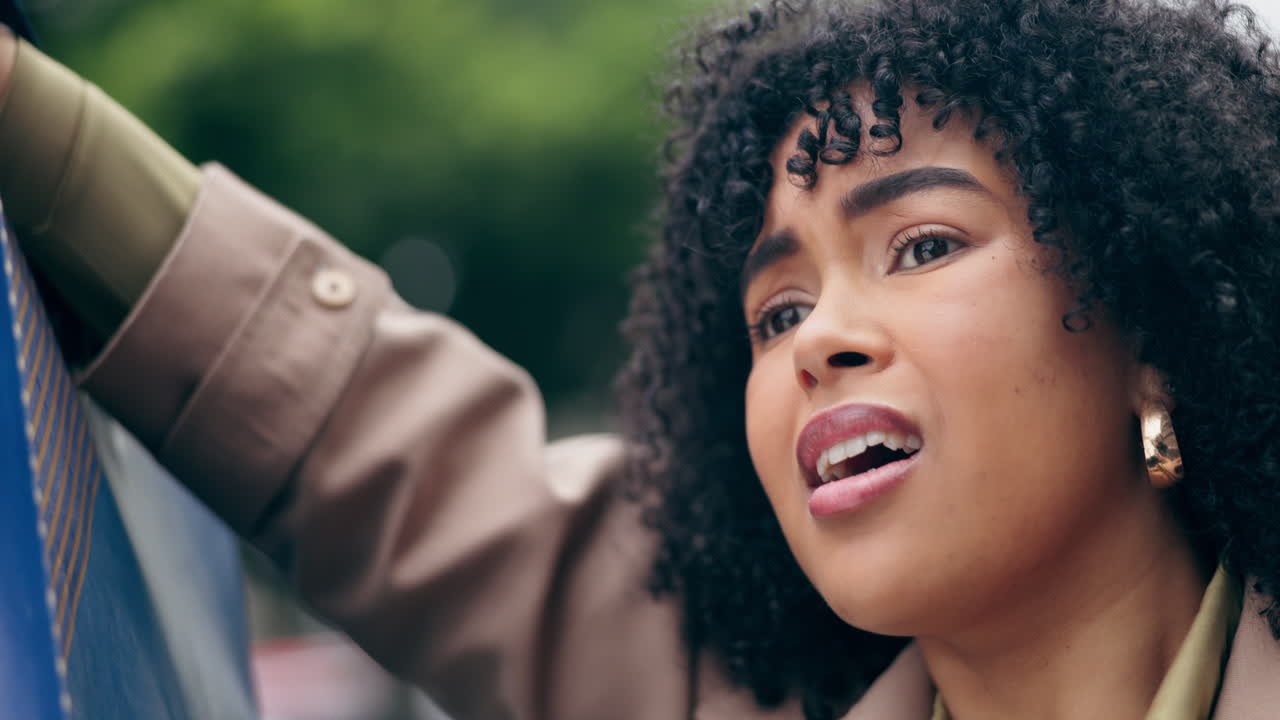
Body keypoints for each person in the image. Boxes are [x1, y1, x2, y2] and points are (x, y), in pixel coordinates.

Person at [1, 0, 1279, 718]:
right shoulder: (729, 684)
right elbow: (382, 439)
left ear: (1153, 329)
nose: (818, 338)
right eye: (772, 312)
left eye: (922, 243)